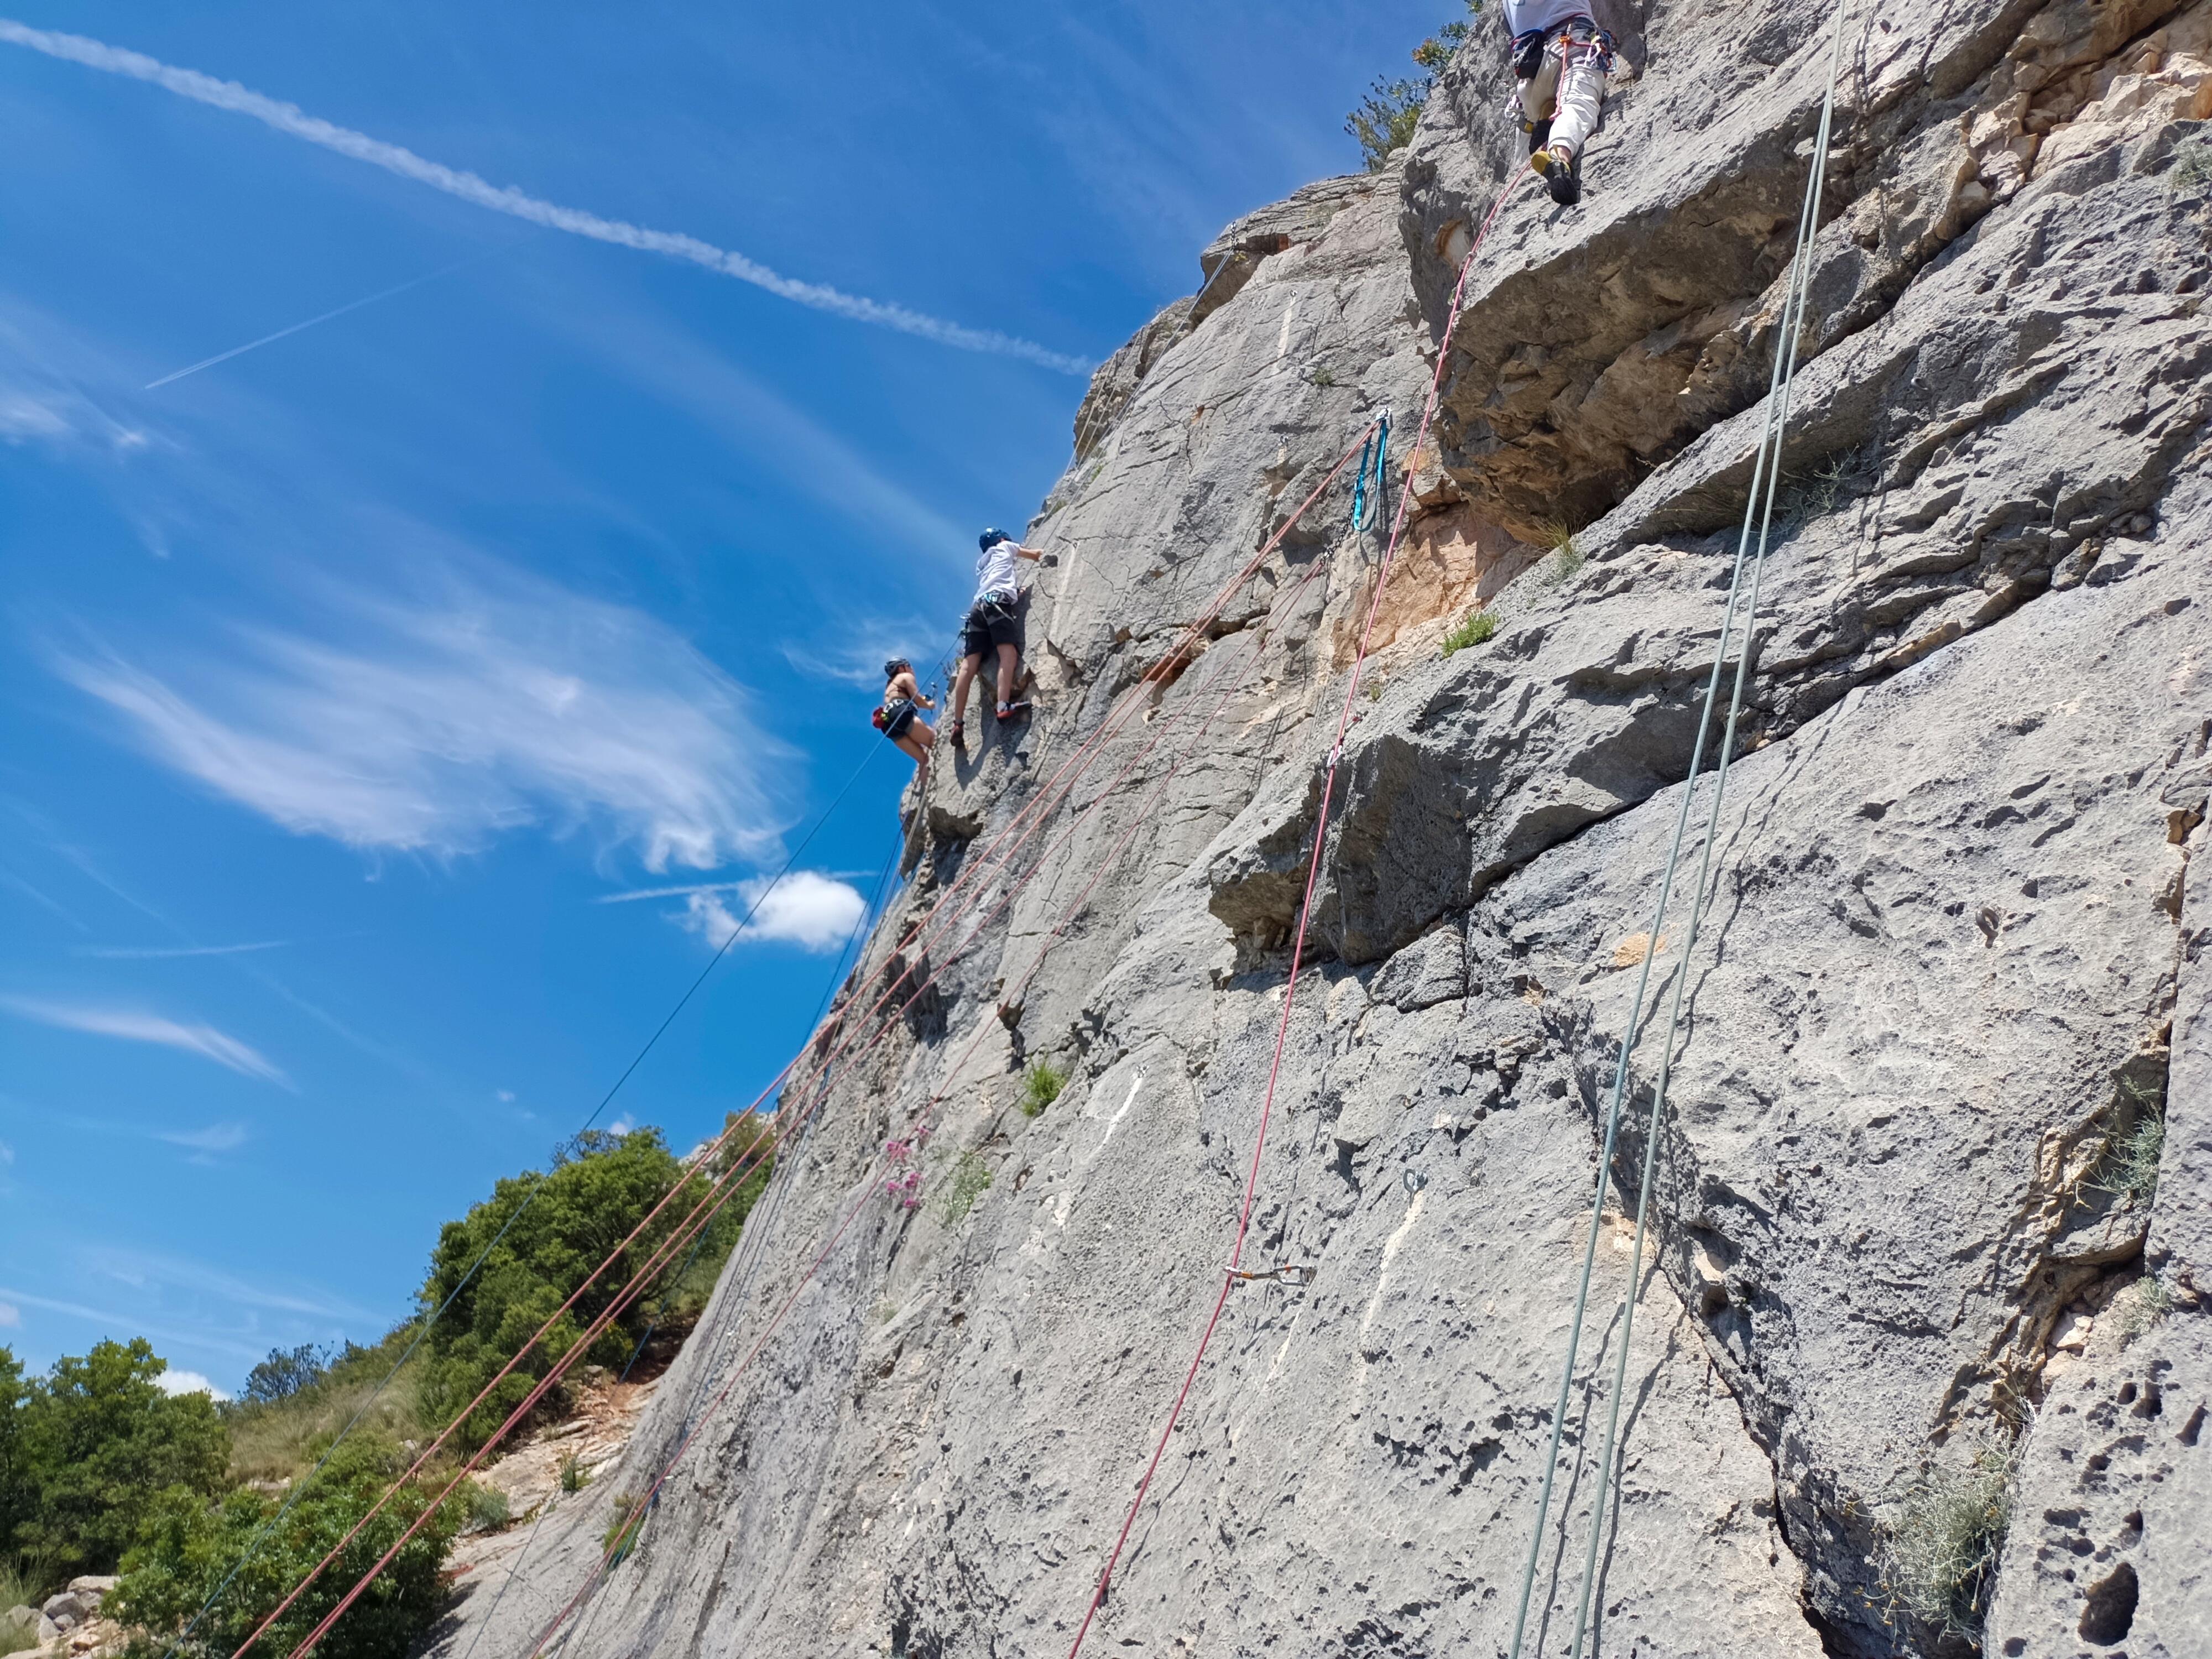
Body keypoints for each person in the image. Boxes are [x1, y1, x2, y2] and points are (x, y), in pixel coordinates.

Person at [1501, 1, 1617, 207]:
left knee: (1544, 104)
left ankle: (1546, 117)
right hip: (1570, 45)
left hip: (1531, 79)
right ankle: (1558, 156)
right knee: (1578, 103)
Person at [947, 528, 1044, 745]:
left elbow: (994, 580)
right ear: (1001, 539)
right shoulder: (1006, 546)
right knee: (1008, 653)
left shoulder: (982, 564)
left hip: (977, 609)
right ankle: (1003, 706)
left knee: (968, 666)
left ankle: (958, 723)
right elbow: (1037, 555)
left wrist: (1014, 593)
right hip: (997, 602)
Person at [873, 658, 936, 776]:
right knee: (934, 740)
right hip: (900, 713)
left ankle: (925, 787)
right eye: (909, 665)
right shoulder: (905, 676)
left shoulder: (890, 686)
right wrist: (930, 705)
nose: (912, 669)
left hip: (888, 724)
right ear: (901, 668)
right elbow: (917, 699)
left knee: (923, 760)